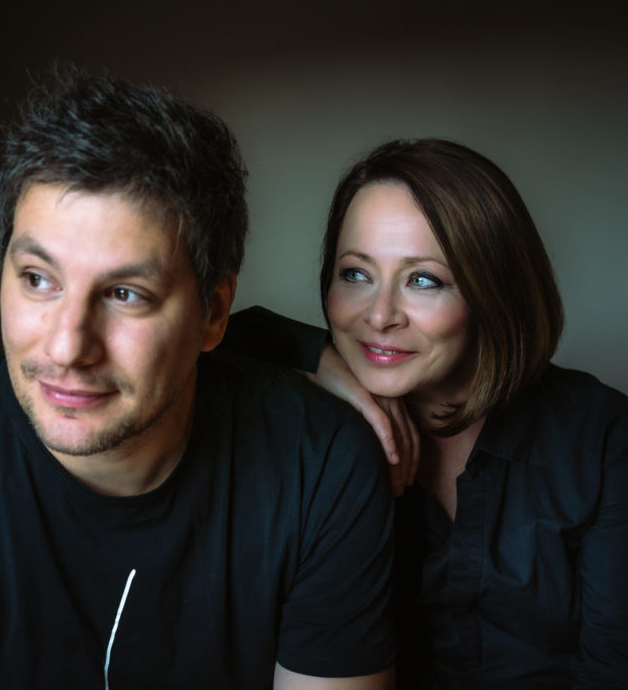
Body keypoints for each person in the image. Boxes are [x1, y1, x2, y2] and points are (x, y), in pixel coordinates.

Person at [0, 68, 396, 689]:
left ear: (215, 313)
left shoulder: (321, 468)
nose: (67, 347)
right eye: (38, 279)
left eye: (125, 294)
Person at [223, 139, 628, 688]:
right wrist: (337, 372)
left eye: (423, 280)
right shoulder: (323, 439)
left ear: (494, 292)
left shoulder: (603, 438)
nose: (380, 314)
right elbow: (216, 337)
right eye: (355, 274)